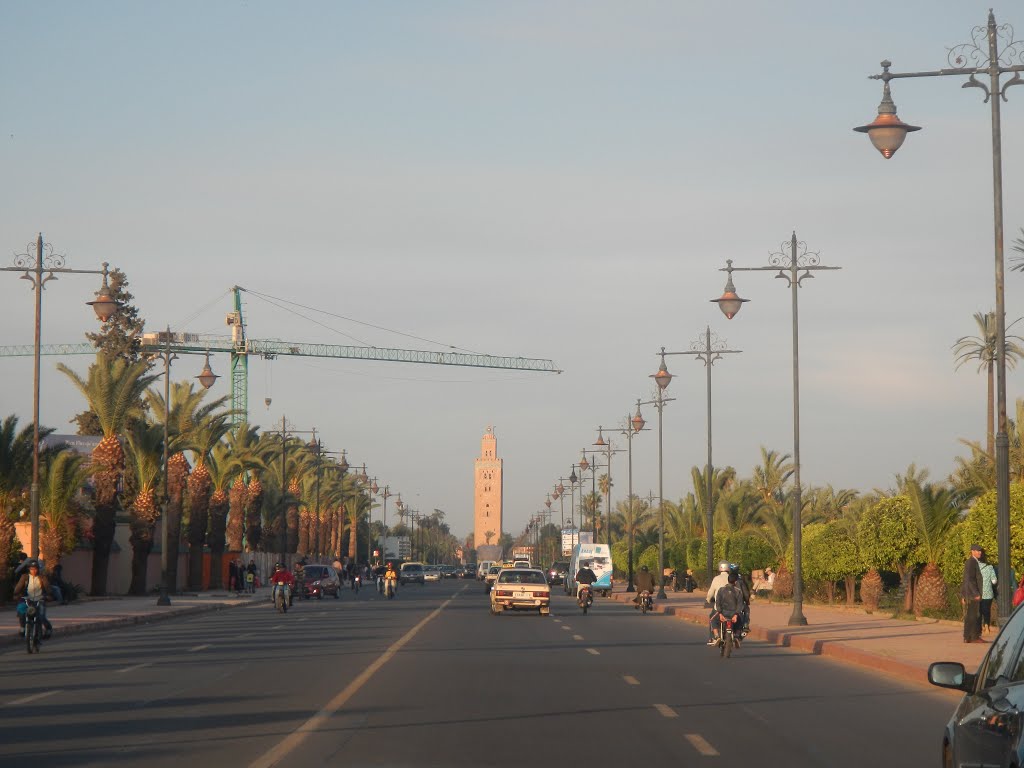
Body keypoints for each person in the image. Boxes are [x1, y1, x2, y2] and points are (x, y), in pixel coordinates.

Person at [13, 560, 54, 639]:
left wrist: (49, 596)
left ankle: (48, 629)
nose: (33, 571)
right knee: (21, 611)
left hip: (40, 600)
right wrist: (16, 595)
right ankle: (23, 628)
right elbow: (18, 587)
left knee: (41, 616)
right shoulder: (24, 577)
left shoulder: (42, 577)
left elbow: (48, 588)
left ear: (38, 569)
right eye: (32, 569)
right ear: (29, 569)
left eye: (35, 569)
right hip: (27, 600)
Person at [961, 544, 985, 643]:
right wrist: (976, 593)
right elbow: (970, 579)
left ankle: (968, 636)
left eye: (980, 551)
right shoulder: (971, 562)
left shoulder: (972, 562)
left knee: (972, 615)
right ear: (972, 551)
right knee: (974, 615)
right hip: (973, 593)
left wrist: (963, 595)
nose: (980, 552)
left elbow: (966, 579)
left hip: (970, 593)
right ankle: (973, 636)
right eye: (977, 551)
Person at [713, 571, 745, 647]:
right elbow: (740, 604)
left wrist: (720, 613)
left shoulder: (721, 590)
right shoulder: (738, 591)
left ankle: (717, 636)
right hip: (734, 614)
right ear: (736, 582)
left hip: (723, 613)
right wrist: (736, 615)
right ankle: (737, 636)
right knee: (741, 622)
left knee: (713, 620)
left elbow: (718, 603)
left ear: (728, 580)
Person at [705, 561, 732, 645]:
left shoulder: (716, 579)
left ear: (720, 568)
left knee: (712, 618)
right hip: (732, 606)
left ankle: (715, 637)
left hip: (719, 606)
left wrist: (708, 599)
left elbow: (711, 592)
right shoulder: (732, 578)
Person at [979, 551, 997, 634]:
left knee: (979, 610)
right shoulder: (990, 567)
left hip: (978, 593)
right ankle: (986, 626)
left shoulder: (976, 566)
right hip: (988, 593)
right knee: (987, 610)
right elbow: (994, 581)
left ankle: (980, 626)